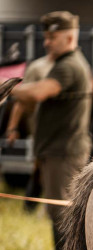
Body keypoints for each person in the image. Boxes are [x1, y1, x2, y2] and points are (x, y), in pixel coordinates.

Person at [8, 11, 92, 250]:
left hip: (64, 152)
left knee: (63, 214)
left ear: (69, 37)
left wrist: (6, 88)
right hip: (55, 150)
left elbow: (39, 92)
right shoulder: (63, 62)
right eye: (45, 37)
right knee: (56, 211)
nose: (47, 42)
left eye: (53, 37)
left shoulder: (69, 65)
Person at [4, 53, 52, 210]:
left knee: (46, 168)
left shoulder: (67, 66)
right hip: (41, 129)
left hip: (59, 130)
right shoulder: (38, 67)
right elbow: (22, 101)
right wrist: (12, 127)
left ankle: (35, 205)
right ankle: (32, 205)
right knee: (40, 166)